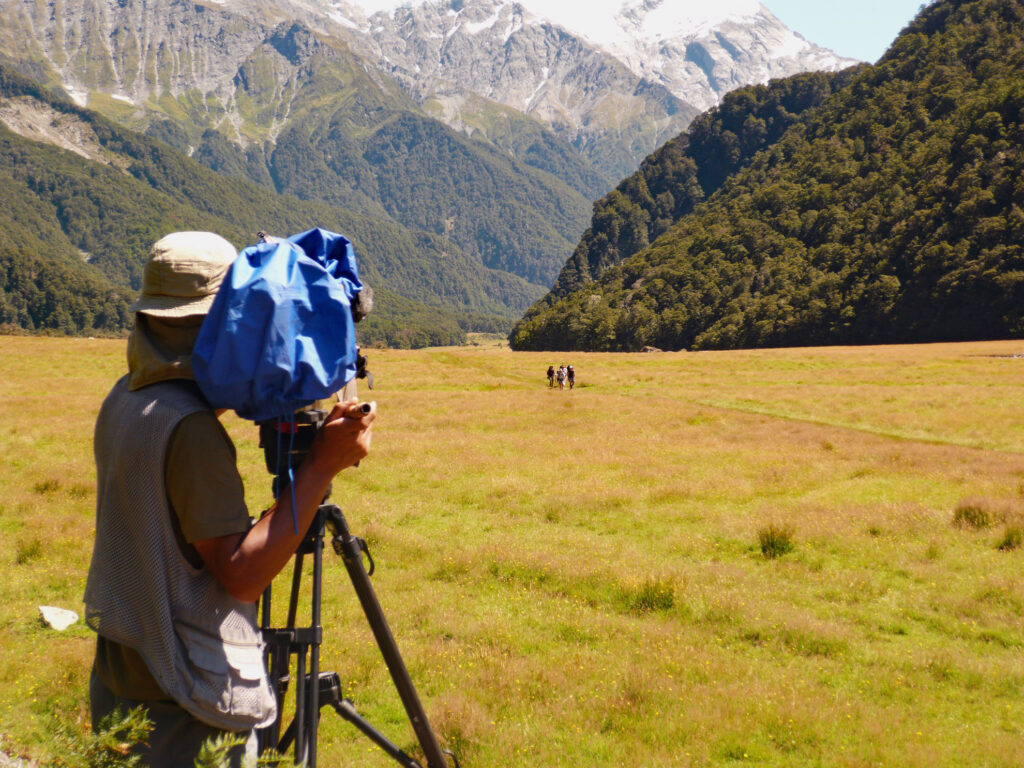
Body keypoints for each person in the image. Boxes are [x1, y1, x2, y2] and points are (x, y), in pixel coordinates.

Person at [83, 232, 376, 767]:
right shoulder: (189, 431)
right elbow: (242, 574)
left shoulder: (128, 398)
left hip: (124, 674)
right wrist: (320, 464)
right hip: (184, 701)